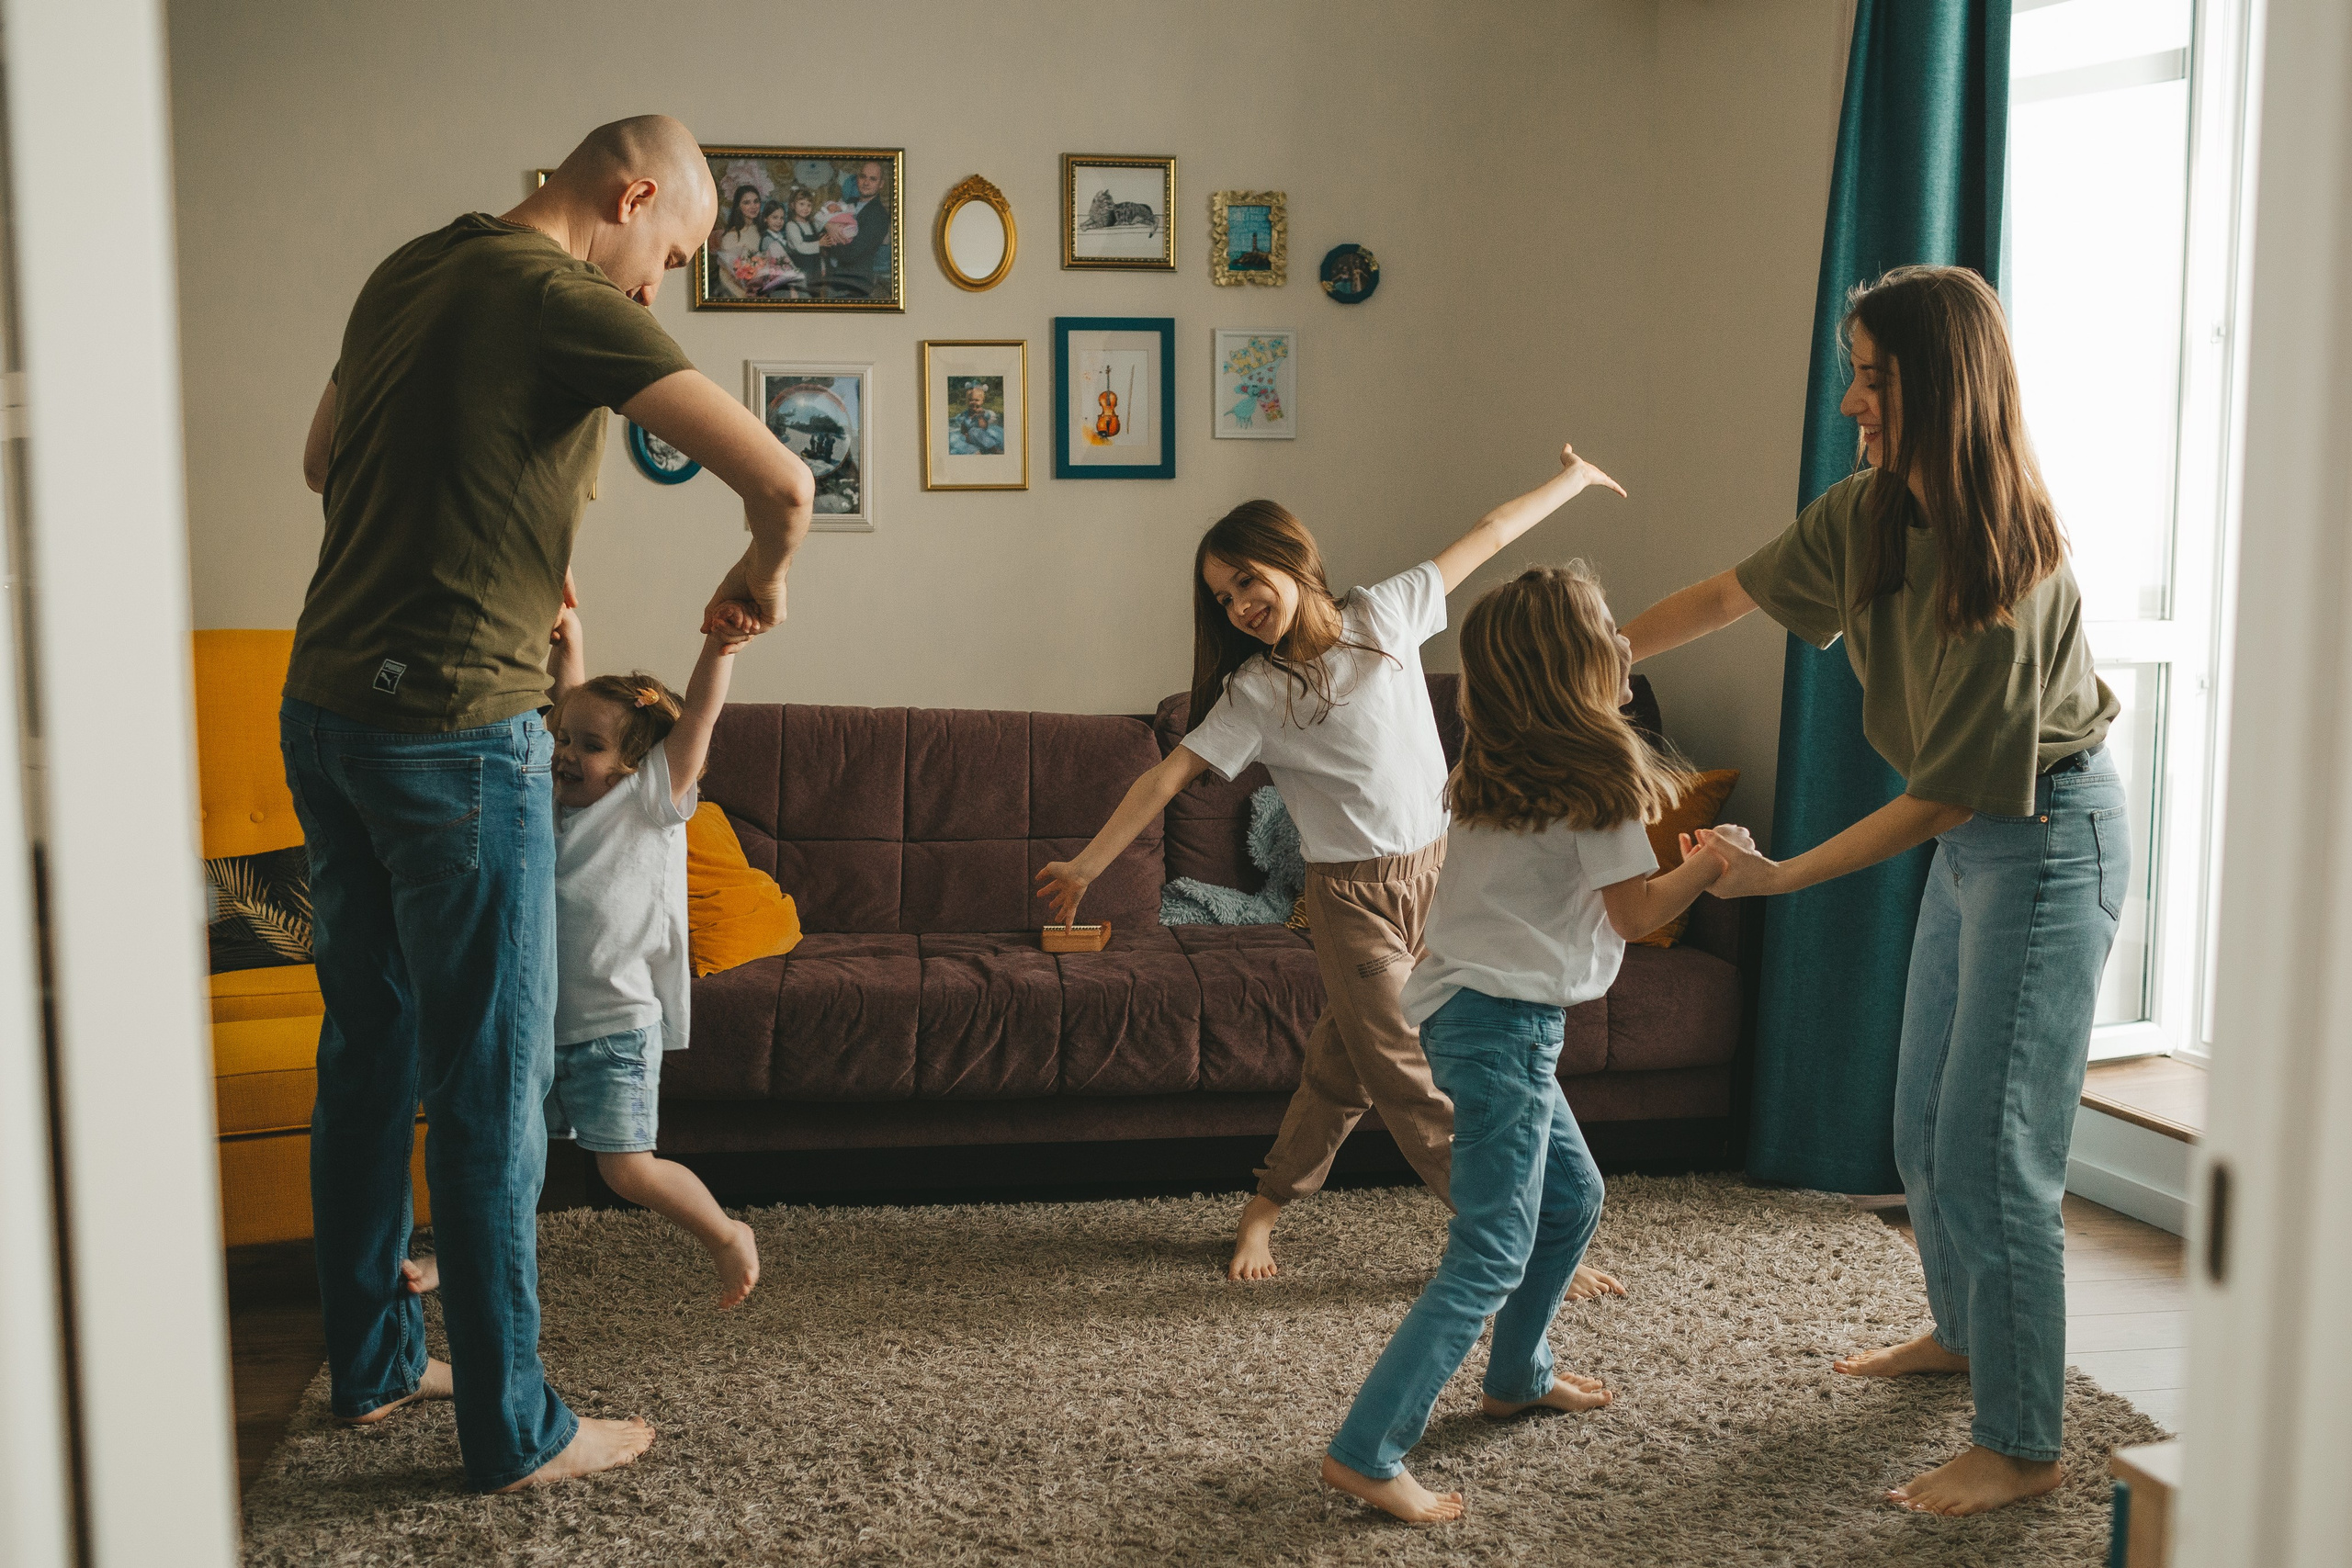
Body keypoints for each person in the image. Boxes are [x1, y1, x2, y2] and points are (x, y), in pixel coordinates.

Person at [288, 113, 814, 1493]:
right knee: (492, 1083)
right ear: (629, 194)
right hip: (454, 732)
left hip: (327, 709)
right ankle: (517, 1429)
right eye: (675, 251)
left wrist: (482, 534)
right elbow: (785, 477)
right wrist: (764, 568)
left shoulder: (411, 267)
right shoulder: (560, 292)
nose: (660, 287)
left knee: (369, 1051)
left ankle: (375, 1361)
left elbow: (322, 462)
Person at [1623, 265, 2123, 1517]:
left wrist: (1779, 873)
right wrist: (1594, 654)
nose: (1851, 398)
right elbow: (1730, 594)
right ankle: (1963, 1332)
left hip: (2051, 834)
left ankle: (2023, 1440)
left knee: (1994, 1147)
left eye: (1873, 376)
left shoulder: (2011, 568)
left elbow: (1945, 794)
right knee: (1917, 1121)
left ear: (1940, 388)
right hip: (1979, 840)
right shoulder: (1865, 514)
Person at [1035, 441, 1626, 1284]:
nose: (1237, 604)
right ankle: (1521, 1243)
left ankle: (1262, 1210)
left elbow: (1491, 534)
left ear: (1290, 558)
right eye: (1220, 596)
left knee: (1343, 1065)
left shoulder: (1387, 613)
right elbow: (1170, 771)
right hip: (1353, 902)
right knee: (1410, 1075)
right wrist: (1088, 864)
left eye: (1245, 580)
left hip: (1443, 873)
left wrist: (1572, 479)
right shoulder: (1255, 694)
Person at [1321, 562, 1752, 1523]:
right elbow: (1637, 916)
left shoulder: (1493, 763)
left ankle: (1516, 1374)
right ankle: (1366, 1448)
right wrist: (1711, 863)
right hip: (1505, 1027)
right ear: (1577, 665)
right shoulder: (1598, 778)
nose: (1623, 642)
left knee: (1573, 1200)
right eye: (1608, 631)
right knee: (1490, 1250)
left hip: (1471, 1015)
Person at [542, 610, 763, 1305]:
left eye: (591, 748)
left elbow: (696, 719)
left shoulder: (648, 800)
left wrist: (719, 645)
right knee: (513, 1164)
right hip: (541, 1019)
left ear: (638, 765)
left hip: (614, 1024)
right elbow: (569, 708)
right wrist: (572, 645)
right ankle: (455, 1267)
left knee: (628, 1172)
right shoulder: (552, 799)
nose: (568, 755)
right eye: (563, 741)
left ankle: (728, 1234)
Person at [818, 160, 891, 299]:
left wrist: (827, 237)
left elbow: (850, 254)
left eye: (873, 179)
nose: (866, 182)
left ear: (881, 184)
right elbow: (818, 228)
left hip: (854, 289)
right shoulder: (849, 202)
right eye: (863, 176)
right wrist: (828, 225)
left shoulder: (879, 215)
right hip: (832, 282)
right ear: (857, 178)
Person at [709, 181, 764, 298]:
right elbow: (726, 277)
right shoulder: (731, 237)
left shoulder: (762, 231)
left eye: (756, 201)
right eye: (747, 202)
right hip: (740, 294)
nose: (753, 206)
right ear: (738, 206)